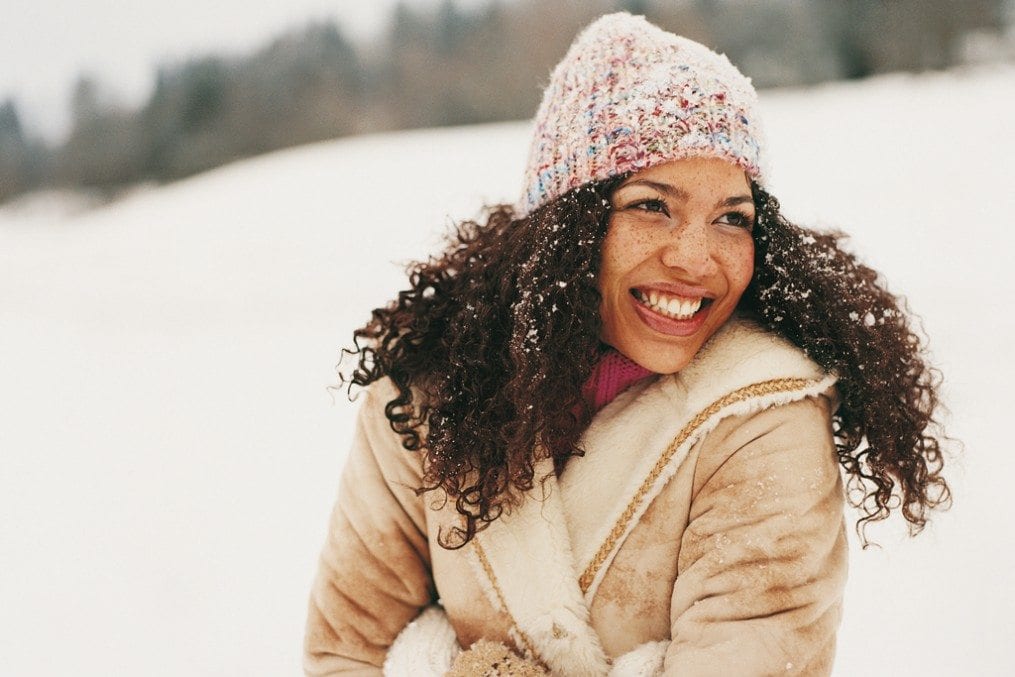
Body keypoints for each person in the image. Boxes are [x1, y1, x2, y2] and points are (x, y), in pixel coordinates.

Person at [303, 13, 950, 677]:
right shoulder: (426, 392)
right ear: (567, 225)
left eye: (732, 218)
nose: (697, 260)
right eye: (651, 206)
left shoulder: (761, 414)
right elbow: (344, 652)